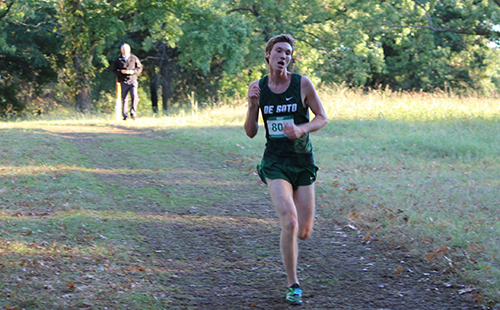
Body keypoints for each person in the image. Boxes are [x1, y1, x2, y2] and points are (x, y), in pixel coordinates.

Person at [244, 34, 328, 305]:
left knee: (304, 231)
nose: (284, 56)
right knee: (289, 221)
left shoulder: (302, 83)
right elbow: (250, 132)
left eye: (288, 52)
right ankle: (293, 284)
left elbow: (322, 118)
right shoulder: (258, 87)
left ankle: (293, 241)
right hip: (275, 162)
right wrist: (252, 106)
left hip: (302, 161)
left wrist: (301, 128)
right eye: (279, 51)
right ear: (268, 55)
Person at [112, 43, 143, 120]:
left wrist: (133, 72)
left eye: (126, 50)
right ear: (121, 50)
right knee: (124, 98)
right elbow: (114, 70)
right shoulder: (118, 60)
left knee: (135, 96)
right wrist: (121, 72)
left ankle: (133, 113)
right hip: (123, 81)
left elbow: (139, 68)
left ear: (129, 50)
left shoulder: (134, 58)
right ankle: (125, 115)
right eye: (123, 50)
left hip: (133, 80)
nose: (125, 51)